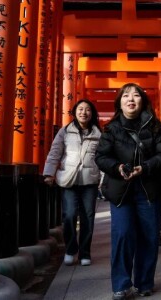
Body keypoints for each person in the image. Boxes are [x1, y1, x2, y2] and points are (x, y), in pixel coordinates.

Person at [95, 83, 161, 300]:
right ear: (119, 102)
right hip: (121, 190)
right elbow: (101, 157)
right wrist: (117, 167)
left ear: (143, 101)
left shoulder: (155, 126)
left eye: (136, 95)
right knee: (123, 234)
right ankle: (121, 284)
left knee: (149, 236)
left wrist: (145, 167)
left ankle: (144, 283)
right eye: (126, 96)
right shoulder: (111, 128)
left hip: (148, 188)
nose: (131, 99)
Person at [43, 99, 102, 266]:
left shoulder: (98, 134)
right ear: (75, 112)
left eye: (88, 110)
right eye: (80, 109)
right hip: (68, 179)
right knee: (69, 215)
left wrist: (103, 179)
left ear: (92, 114)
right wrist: (49, 173)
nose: (84, 112)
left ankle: (85, 253)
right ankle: (70, 249)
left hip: (89, 180)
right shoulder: (65, 131)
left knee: (87, 217)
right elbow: (55, 152)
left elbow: (102, 158)